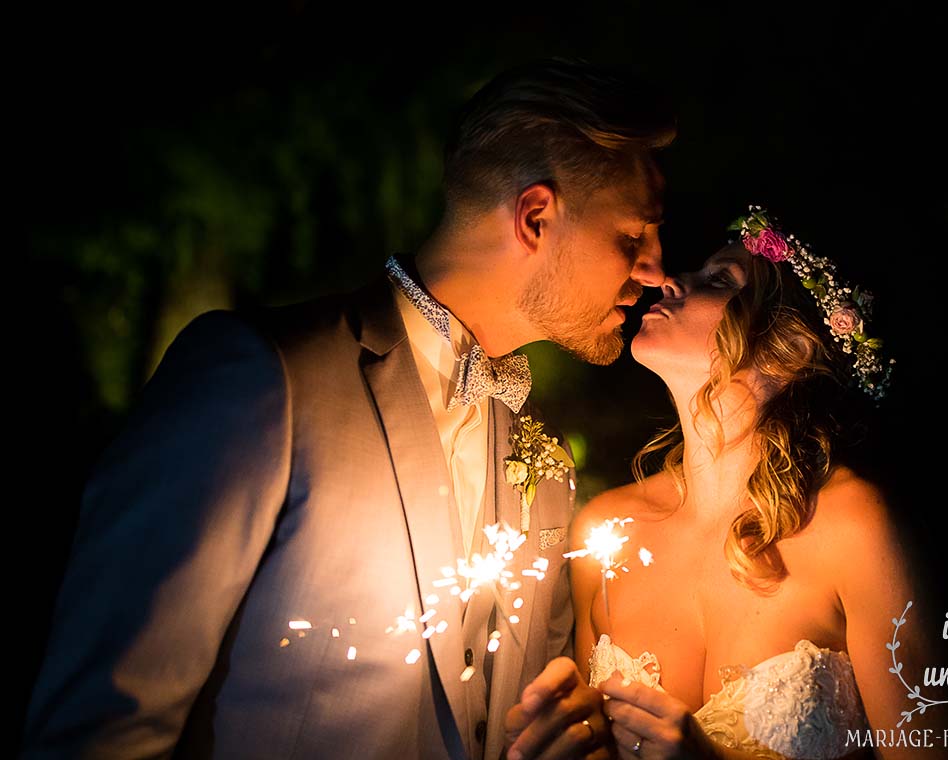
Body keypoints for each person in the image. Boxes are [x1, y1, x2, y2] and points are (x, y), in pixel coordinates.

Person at [20, 58, 673, 760]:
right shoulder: (262, 379)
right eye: (632, 237)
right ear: (535, 217)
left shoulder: (543, 464)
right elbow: (102, 725)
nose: (657, 270)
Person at [514, 208, 948, 760]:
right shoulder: (606, 529)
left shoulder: (852, 524)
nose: (671, 280)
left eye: (719, 281)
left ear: (788, 350)